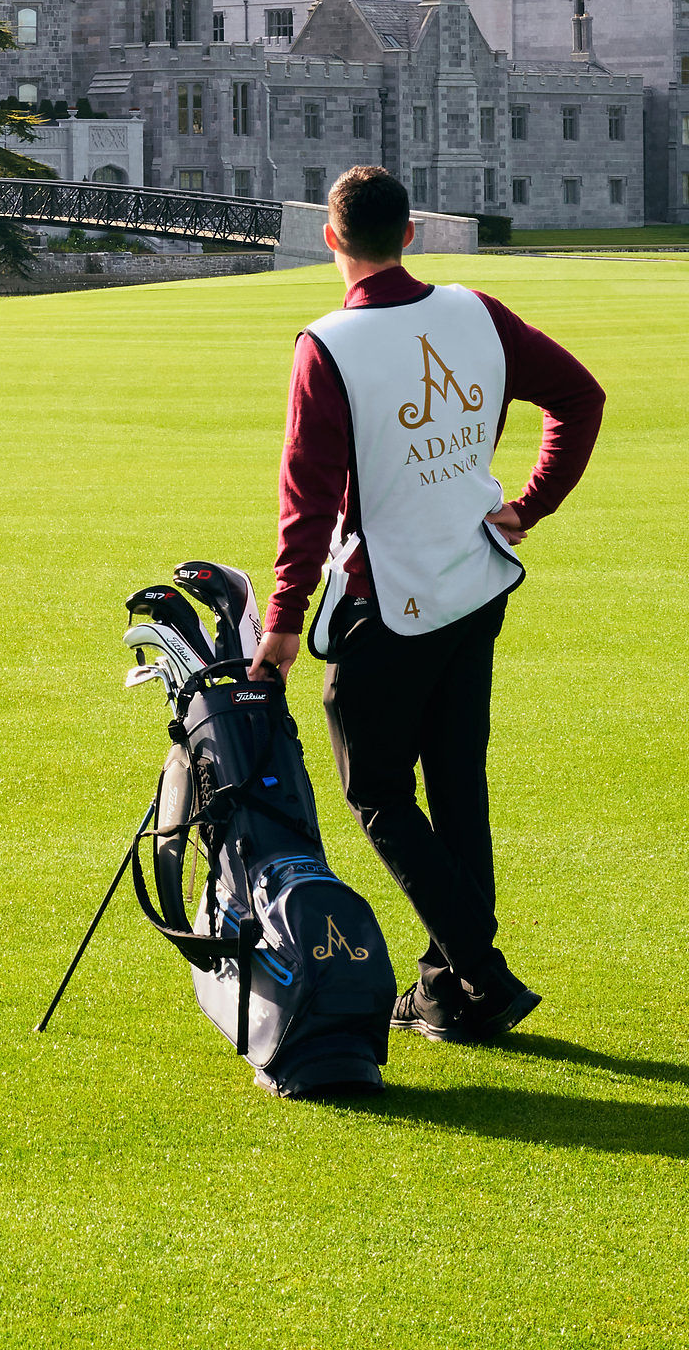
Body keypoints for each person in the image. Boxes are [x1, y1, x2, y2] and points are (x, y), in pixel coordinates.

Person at [249, 164, 603, 1046]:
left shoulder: (326, 344)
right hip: (475, 584)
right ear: (411, 233)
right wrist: (529, 503)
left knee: (374, 788)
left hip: (390, 600)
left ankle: (478, 969)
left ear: (331, 239)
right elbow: (579, 398)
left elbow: (309, 502)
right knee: (455, 785)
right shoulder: (475, 311)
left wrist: (285, 622)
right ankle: (455, 989)